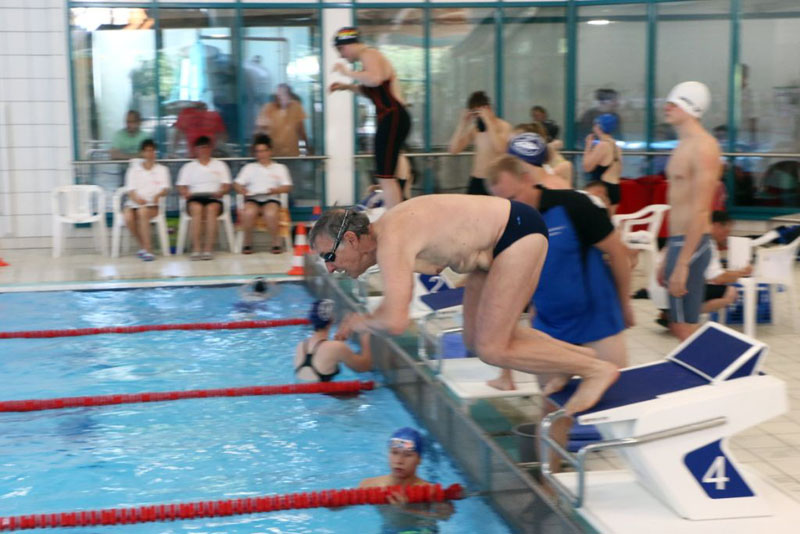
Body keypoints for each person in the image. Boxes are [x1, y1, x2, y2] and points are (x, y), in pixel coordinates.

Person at [309, 197, 619, 415]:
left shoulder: (391, 240)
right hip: (494, 243)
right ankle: (577, 359)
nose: (330, 269)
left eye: (328, 257)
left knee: (493, 348)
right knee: (474, 339)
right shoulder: (386, 236)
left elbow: (396, 320)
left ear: (352, 240)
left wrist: (361, 321)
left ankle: (597, 370)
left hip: (515, 232)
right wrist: (367, 319)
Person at [486, 153, 633, 395]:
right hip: (550, 328)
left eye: (513, 198)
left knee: (615, 400)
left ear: (527, 179)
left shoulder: (573, 206)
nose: (510, 208)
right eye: (503, 203)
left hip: (598, 321)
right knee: (552, 406)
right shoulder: (508, 224)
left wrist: (624, 303)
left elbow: (618, 254)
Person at [658, 81, 721, 341]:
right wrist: (667, 254)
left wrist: (683, 263)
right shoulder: (682, 145)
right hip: (678, 242)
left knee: (685, 327)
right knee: (679, 324)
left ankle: (712, 367)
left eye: (674, 104)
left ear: (691, 108)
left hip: (691, 245)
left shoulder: (704, 147)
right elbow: (677, 205)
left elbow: (701, 210)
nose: (667, 107)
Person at [330, 27, 411, 209]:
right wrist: (345, 87)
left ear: (349, 44)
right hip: (392, 118)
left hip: (393, 116)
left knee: (385, 177)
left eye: (341, 50)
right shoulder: (368, 59)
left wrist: (347, 73)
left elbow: (374, 79)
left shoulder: (369, 53)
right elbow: (370, 88)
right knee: (386, 176)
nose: (342, 56)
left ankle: (394, 218)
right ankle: (395, 215)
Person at [656, 211, 752, 327]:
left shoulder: (686, 234)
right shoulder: (707, 243)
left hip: (659, 291)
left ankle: (669, 313)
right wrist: (742, 273)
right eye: (726, 232)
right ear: (716, 226)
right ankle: (680, 315)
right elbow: (718, 278)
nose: (726, 236)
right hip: (676, 290)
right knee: (731, 292)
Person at [359, 428, 454, 530]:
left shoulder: (431, 491)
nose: (399, 461)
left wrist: (406, 510)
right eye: (394, 453)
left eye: (408, 455)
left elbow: (445, 516)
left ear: (419, 459)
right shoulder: (369, 485)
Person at [233, 134, 293, 254]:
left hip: (271, 198)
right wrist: (241, 190)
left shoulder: (280, 168)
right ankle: (247, 242)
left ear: (270, 151)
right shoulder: (249, 167)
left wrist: (276, 190)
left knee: (270, 213)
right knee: (248, 212)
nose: (261, 154)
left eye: (264, 151)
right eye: (258, 151)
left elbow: (288, 186)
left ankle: (276, 242)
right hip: (253, 198)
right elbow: (236, 184)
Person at [175, 136, 232, 260]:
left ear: (211, 149)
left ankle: (208, 249)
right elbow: (181, 186)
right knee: (197, 209)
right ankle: (196, 249)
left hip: (214, 198)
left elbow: (227, 185)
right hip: (194, 198)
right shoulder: (188, 167)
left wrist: (221, 191)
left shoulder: (220, 165)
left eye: (206, 148)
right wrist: (185, 193)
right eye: (200, 148)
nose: (203, 151)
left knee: (211, 209)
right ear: (195, 150)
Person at [448, 91, 513, 196]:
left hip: (495, 181)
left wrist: (488, 122)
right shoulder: (475, 129)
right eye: (474, 114)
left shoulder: (504, 126)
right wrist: (462, 124)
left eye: (478, 113)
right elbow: (453, 150)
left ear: (488, 109)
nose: (477, 117)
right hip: (476, 180)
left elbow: (501, 148)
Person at [294, 299, 372, 382]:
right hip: (327, 390)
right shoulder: (336, 347)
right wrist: (365, 334)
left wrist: (340, 341)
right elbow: (364, 367)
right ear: (332, 319)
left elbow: (327, 357)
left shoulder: (301, 345)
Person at [122, 139, 171, 261]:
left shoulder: (162, 169)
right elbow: (131, 190)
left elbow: (165, 189)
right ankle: (144, 246)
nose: (150, 154)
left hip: (152, 205)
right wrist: (137, 199)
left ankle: (148, 250)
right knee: (128, 217)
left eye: (152, 151)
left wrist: (158, 195)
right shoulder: (133, 170)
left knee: (142, 211)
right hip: (134, 203)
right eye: (147, 151)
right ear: (142, 153)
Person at [256, 83, 311, 157]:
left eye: (283, 94)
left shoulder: (296, 107)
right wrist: (255, 151)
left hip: (292, 155)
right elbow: (259, 132)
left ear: (289, 96)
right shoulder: (268, 108)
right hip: (274, 155)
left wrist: (307, 149)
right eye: (278, 95)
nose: (279, 97)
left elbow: (301, 131)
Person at [583, 113, 623, 213]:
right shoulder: (616, 146)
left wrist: (588, 146)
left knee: (597, 222)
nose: (593, 127)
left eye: (595, 125)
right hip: (615, 190)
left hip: (602, 191)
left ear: (599, 127)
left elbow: (587, 167)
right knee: (609, 222)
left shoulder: (602, 146)